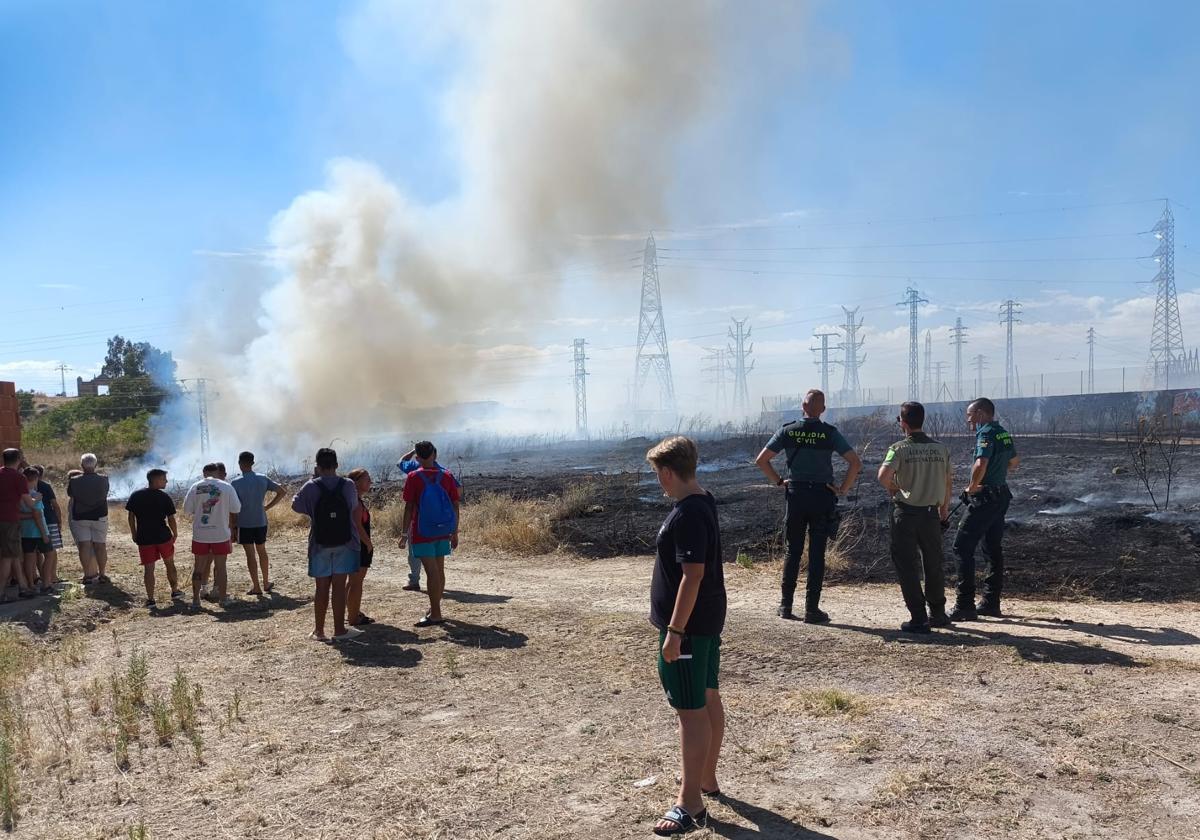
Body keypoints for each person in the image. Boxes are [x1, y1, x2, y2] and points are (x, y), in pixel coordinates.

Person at [645, 436, 726, 837]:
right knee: (707, 696)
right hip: (705, 624)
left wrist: (675, 632)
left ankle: (689, 803)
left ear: (666, 472)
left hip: (690, 629)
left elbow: (692, 576)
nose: (658, 481)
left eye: (657, 474)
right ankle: (706, 780)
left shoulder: (689, 513)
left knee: (690, 713)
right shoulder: (702, 499)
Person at [754, 388, 862, 622]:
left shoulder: (788, 431)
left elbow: (761, 460)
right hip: (822, 497)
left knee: (792, 551)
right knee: (817, 554)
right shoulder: (830, 433)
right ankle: (812, 609)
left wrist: (778, 481)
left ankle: (785, 606)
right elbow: (855, 462)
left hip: (796, 495)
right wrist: (842, 489)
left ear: (802, 407)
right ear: (823, 410)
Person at [877, 402, 954, 634]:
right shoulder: (941, 449)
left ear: (903, 422)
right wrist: (943, 510)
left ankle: (919, 618)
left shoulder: (898, 448)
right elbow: (948, 481)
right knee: (933, 563)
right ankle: (938, 613)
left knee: (907, 566)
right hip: (931, 513)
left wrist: (894, 489)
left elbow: (883, 476)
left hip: (906, 514)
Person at [952, 397, 1020, 621]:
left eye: (970, 416)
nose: (969, 421)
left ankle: (964, 605)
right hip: (1001, 495)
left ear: (981, 413)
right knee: (992, 548)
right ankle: (991, 602)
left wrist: (971, 488)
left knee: (962, 546)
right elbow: (1014, 462)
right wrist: (998, 473)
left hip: (985, 498)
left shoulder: (986, 433)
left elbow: (980, 464)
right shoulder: (1002, 432)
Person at [291, 448, 367, 642]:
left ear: (317, 466)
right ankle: (339, 629)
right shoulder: (348, 485)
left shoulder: (311, 486)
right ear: (337, 465)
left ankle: (319, 631)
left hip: (319, 543)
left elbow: (296, 505)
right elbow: (352, 507)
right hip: (346, 541)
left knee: (321, 587)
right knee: (339, 586)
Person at [399, 441, 459, 627]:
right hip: (443, 530)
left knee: (431, 572)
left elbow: (409, 507)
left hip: (422, 530)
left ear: (417, 458)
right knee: (439, 570)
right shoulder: (447, 476)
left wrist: (404, 533)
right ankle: (435, 609)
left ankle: (436, 614)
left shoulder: (414, 477)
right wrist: (455, 531)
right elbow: (455, 505)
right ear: (435, 454)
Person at [182, 463, 242, 610]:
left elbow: (187, 510)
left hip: (200, 534)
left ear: (203, 473)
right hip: (220, 534)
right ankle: (222, 599)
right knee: (221, 568)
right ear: (217, 472)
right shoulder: (226, 487)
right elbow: (237, 508)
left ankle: (196, 601)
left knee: (198, 567)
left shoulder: (195, 487)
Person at [126, 468, 184, 610]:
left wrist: (134, 533)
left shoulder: (136, 495)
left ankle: (151, 599)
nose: (166, 481)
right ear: (156, 480)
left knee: (149, 569)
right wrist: (175, 533)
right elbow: (171, 518)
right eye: (164, 479)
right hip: (163, 536)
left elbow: (131, 515)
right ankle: (175, 591)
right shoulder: (164, 497)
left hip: (144, 537)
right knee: (169, 564)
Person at [231, 452, 286, 597]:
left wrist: (233, 526)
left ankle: (256, 586)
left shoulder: (235, 483)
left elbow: (233, 507)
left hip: (244, 523)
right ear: (252, 463)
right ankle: (266, 582)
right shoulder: (262, 478)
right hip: (260, 521)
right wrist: (267, 507)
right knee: (262, 551)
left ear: (240, 463)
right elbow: (282, 491)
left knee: (250, 555)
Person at [0, 450, 39, 601]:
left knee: (14, 554)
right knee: (8, 557)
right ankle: (1, 592)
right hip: (10, 520)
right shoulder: (18, 477)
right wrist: (37, 500)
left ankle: (23, 587)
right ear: (19, 459)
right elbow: (29, 502)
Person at [67, 453, 110, 584]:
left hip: (80, 517)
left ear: (81, 466)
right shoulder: (104, 479)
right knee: (100, 546)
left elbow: (70, 494)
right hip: (99, 516)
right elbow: (105, 492)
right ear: (96, 465)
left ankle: (87, 575)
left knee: (84, 546)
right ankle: (102, 574)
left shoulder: (74, 481)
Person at [345, 468, 375, 627]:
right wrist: (368, 543)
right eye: (367, 479)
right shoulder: (356, 502)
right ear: (356, 482)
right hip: (359, 547)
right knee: (356, 583)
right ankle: (353, 617)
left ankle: (351, 612)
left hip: (352, 547)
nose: (370, 482)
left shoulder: (352, 499)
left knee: (352, 582)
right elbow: (357, 525)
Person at [18, 467, 52, 595]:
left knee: (29, 558)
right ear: (36, 478)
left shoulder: (20, 495)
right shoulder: (34, 495)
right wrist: (44, 534)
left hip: (25, 531)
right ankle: (46, 583)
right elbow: (37, 516)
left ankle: (31, 584)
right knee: (49, 555)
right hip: (38, 531)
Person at [31, 466, 63, 587]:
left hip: (34, 521)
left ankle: (41, 576)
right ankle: (52, 577)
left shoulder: (26, 487)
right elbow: (54, 504)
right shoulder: (45, 486)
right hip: (49, 520)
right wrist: (59, 520)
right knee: (51, 550)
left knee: (37, 551)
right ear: (41, 474)